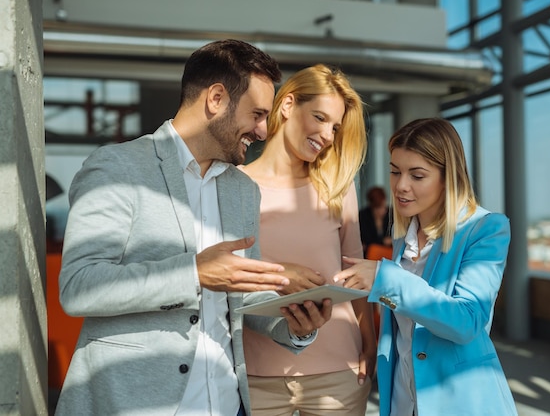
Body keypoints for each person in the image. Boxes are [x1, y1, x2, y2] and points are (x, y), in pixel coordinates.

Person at [54, 39, 332, 416]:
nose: (264, 131)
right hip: (134, 404)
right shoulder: (117, 168)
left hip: (225, 403)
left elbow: (239, 299)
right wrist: (194, 273)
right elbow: (79, 287)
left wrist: (295, 325)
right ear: (216, 99)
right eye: (256, 114)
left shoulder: (243, 190)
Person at [334, 117, 518, 415]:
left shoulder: (486, 229)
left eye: (417, 176)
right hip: (404, 400)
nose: (400, 186)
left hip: (461, 402)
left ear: (449, 177)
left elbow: (467, 321)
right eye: (395, 172)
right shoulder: (401, 240)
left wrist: (386, 280)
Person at [239, 64, 377, 416]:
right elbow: (220, 270)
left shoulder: (336, 188)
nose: (329, 135)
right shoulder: (233, 186)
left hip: (338, 371)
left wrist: (370, 344)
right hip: (254, 374)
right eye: (320, 118)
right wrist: (282, 273)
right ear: (286, 106)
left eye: (335, 127)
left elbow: (355, 273)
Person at [359, 186, 392, 258]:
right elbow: (366, 242)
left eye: (384, 206)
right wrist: (384, 241)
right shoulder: (363, 216)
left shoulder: (391, 214)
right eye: (378, 208)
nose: (383, 210)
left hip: (389, 255)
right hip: (370, 256)